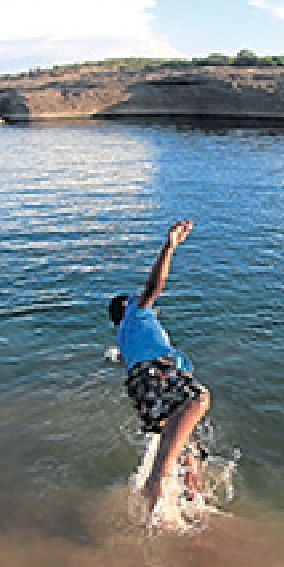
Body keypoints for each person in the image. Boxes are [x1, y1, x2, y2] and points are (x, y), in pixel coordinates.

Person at [108, 220, 211, 515]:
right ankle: (156, 480)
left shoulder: (125, 337)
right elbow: (154, 286)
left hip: (143, 385)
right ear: (128, 306)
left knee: (188, 449)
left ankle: (191, 505)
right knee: (199, 398)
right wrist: (169, 246)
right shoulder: (137, 314)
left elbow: (120, 361)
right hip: (157, 374)